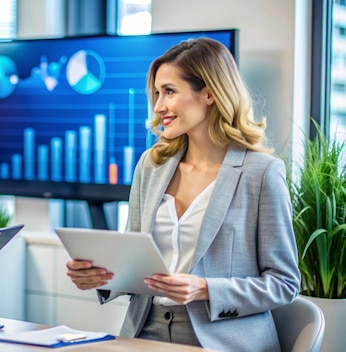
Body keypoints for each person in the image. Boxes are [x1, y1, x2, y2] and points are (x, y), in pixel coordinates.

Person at [65, 37, 300, 351]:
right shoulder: (151, 165)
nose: (159, 105)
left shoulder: (261, 173)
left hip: (222, 340)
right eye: (158, 93)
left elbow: (284, 284)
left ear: (209, 93)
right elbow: (134, 261)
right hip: (143, 331)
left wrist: (205, 289)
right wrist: (101, 278)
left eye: (170, 92)